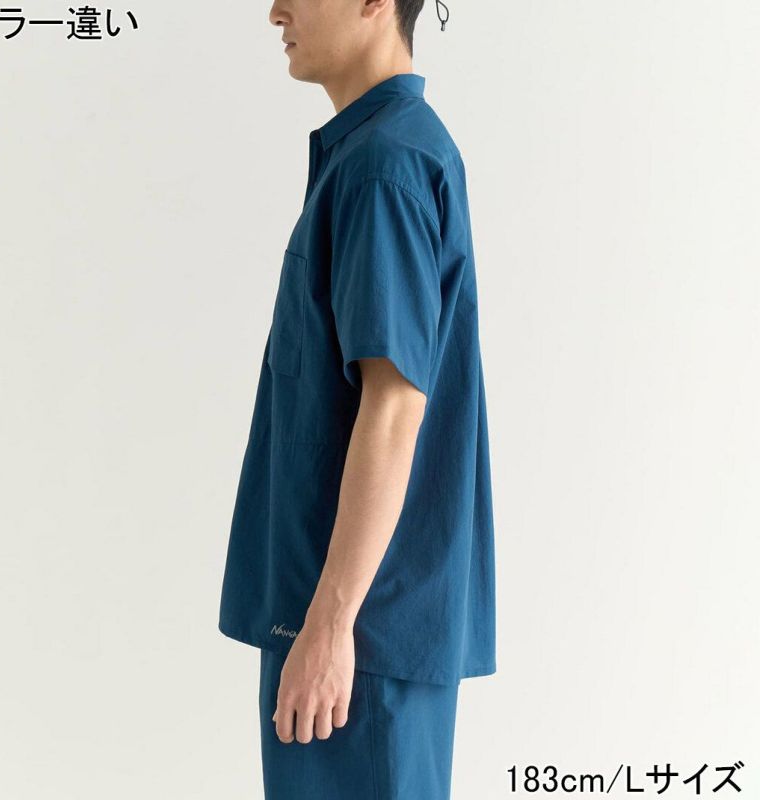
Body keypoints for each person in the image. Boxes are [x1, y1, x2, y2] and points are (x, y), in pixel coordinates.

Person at [218, 0, 496, 796]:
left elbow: (396, 404)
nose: (275, 11)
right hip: (354, 623)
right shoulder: (379, 153)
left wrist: (332, 623)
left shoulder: (384, 166)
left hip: (355, 632)